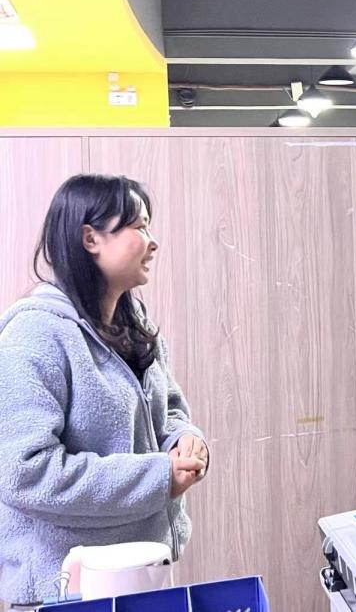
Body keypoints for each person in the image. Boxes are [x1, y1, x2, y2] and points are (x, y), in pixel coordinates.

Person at [0, 174, 209, 606]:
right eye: (139, 227)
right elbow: (25, 473)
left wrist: (184, 438)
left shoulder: (135, 324)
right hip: (64, 593)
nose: (153, 242)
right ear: (91, 239)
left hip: (139, 575)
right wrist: (159, 476)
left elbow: (167, 409)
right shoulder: (35, 334)